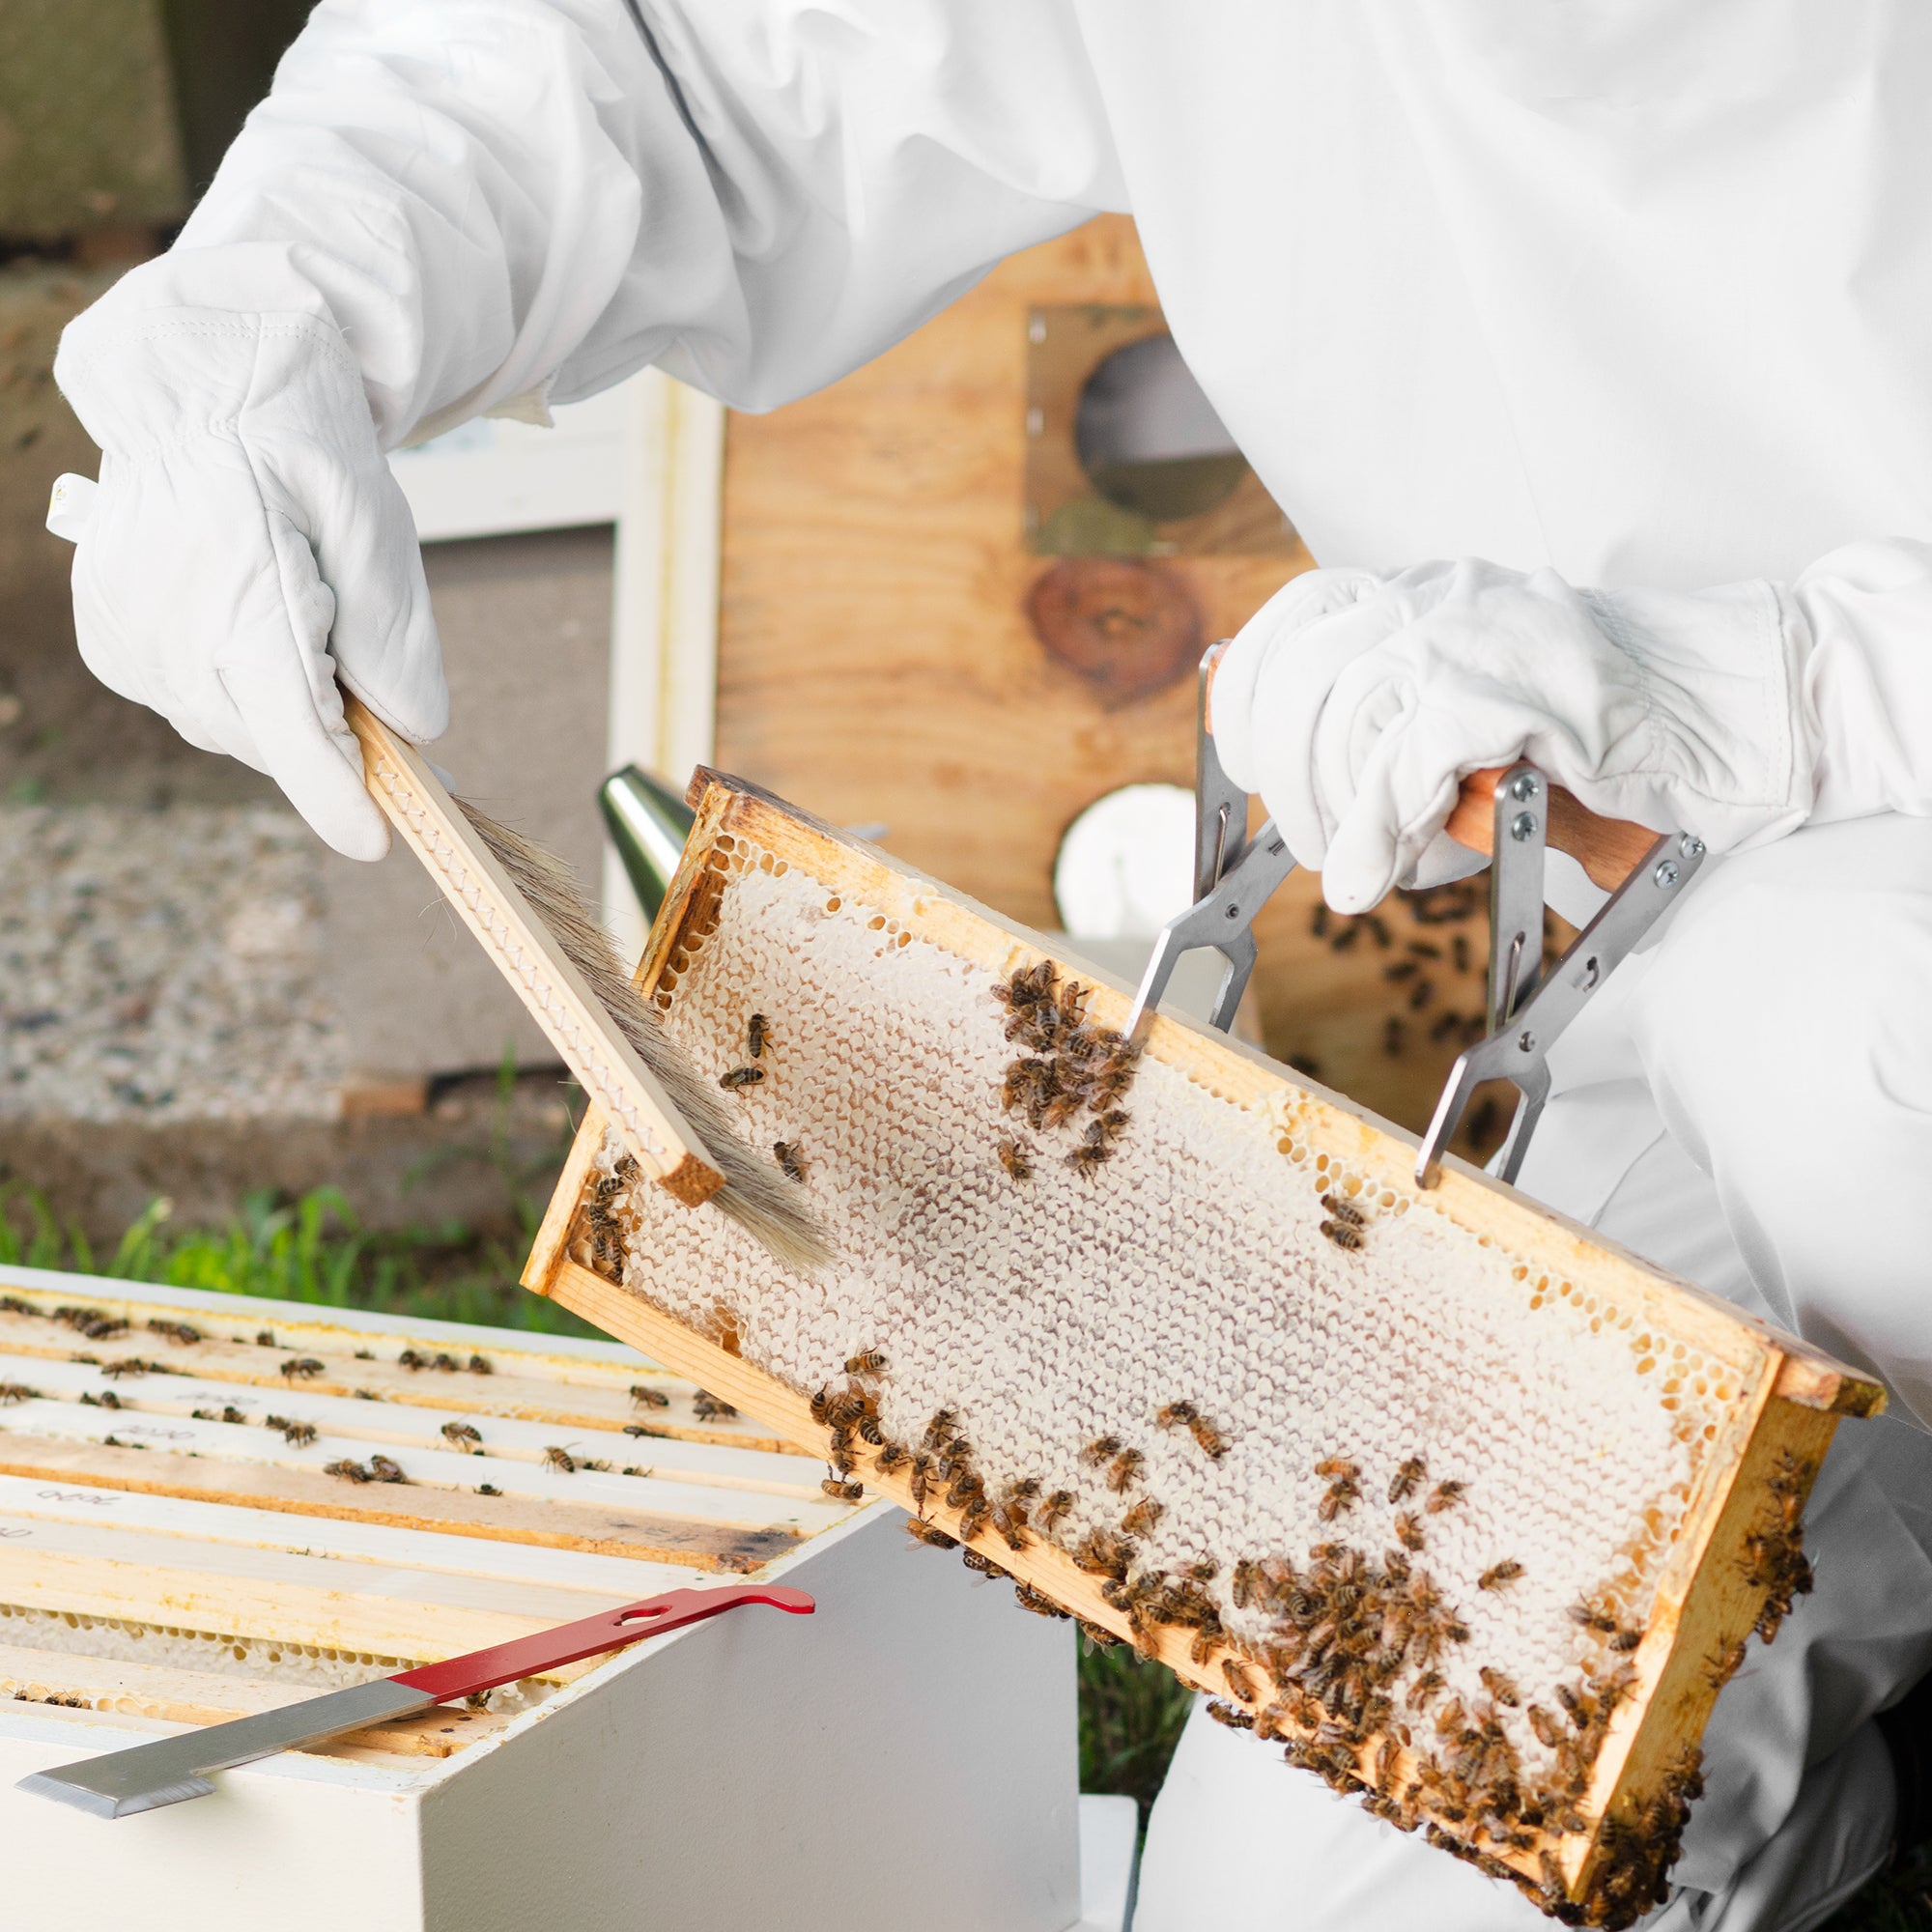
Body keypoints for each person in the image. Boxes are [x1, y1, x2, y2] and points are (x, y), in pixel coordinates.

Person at [50, 6, 1932, 1925]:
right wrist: (294, 297)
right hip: (1635, 994)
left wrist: (1792, 683)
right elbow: (664, 56)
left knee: (1850, 1047)